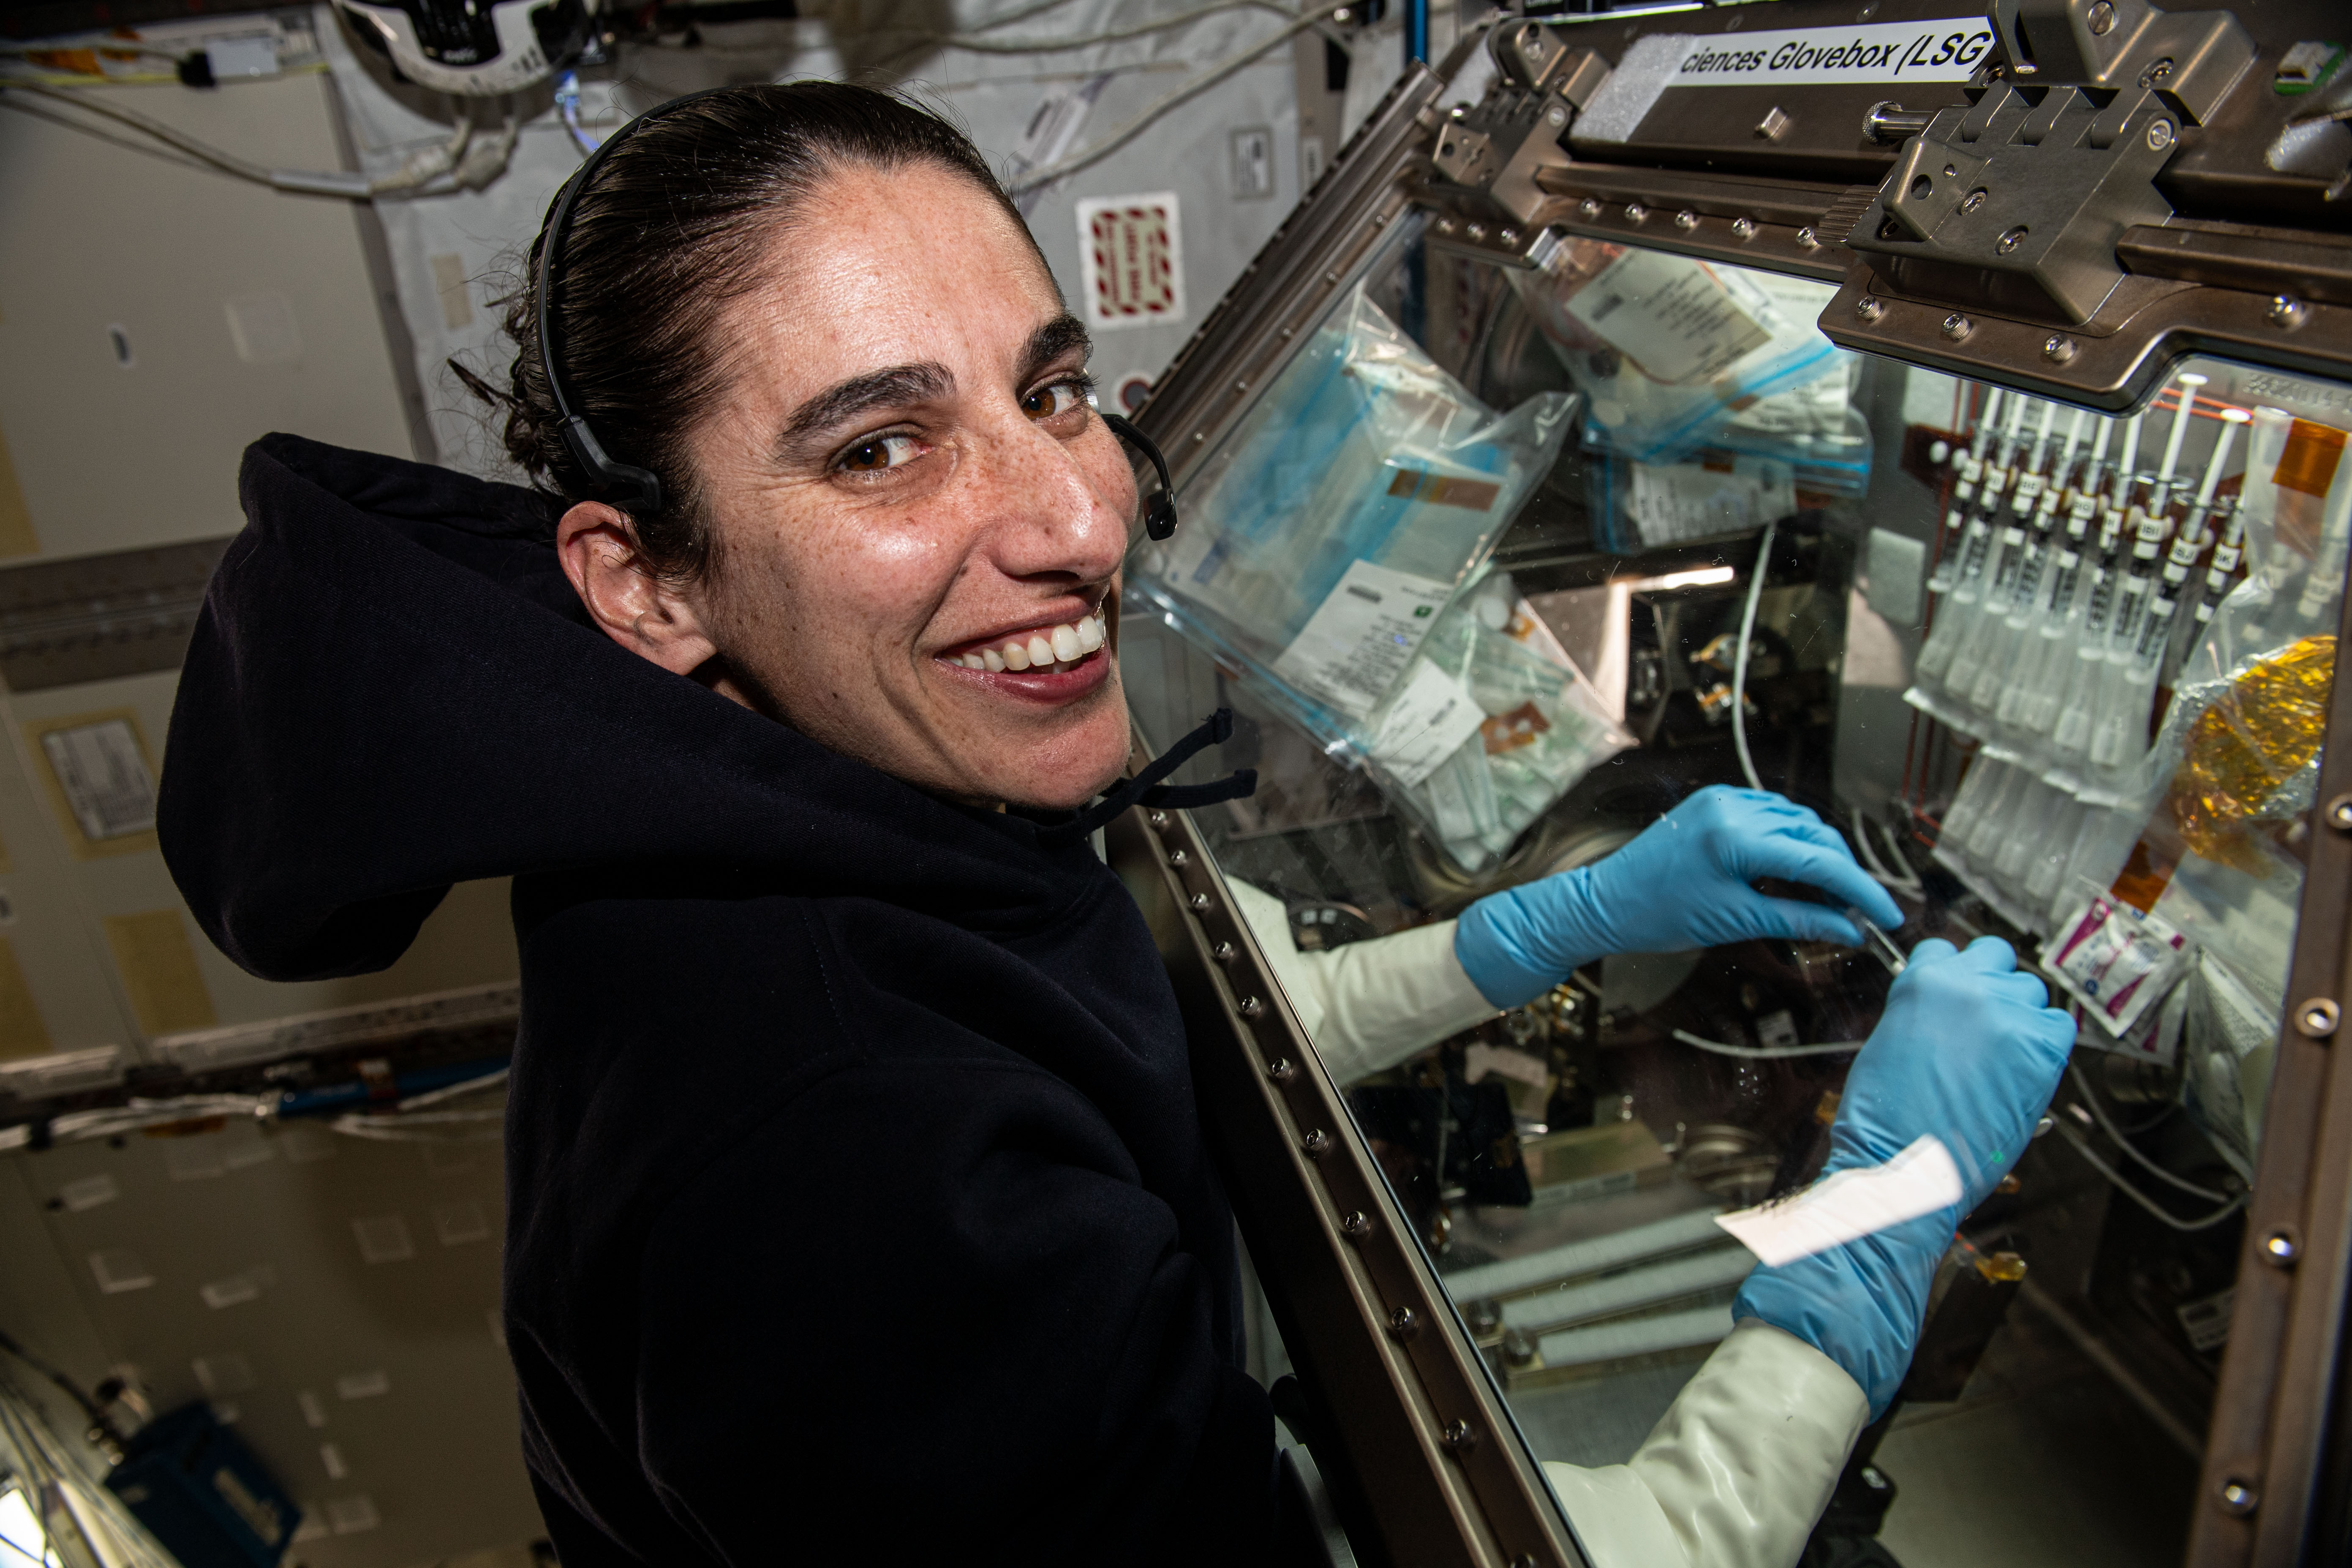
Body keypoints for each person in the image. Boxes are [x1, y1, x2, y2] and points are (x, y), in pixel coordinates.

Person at [157, 82, 2074, 1566]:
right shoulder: (849, 1184)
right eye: (880, 446)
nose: (1074, 518)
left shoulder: (796, 802)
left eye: (1049, 390)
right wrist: (1871, 1234)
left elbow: (1109, 1036)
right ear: (646, 585)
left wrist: (1541, 929)